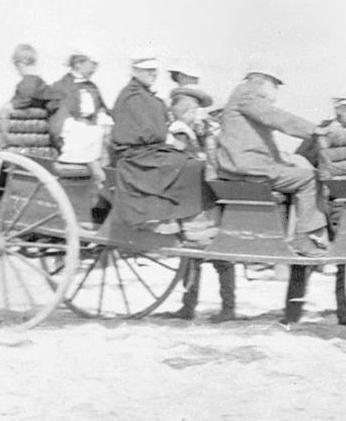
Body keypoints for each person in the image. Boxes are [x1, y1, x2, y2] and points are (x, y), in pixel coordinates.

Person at [215, 61, 334, 258]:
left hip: (247, 166)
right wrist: (314, 130)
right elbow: (276, 118)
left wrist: (284, 163)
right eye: (275, 85)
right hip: (248, 168)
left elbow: (265, 143)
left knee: (298, 173)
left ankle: (298, 234)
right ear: (263, 81)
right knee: (310, 179)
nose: (275, 92)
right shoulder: (248, 94)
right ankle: (304, 238)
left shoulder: (246, 98)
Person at [285, 93, 346, 327]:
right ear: (338, 110)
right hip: (318, 203)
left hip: (345, 203)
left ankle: (345, 315)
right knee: (304, 256)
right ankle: (291, 313)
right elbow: (299, 160)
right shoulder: (319, 132)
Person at [164, 63, 238, 322]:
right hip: (198, 198)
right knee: (198, 254)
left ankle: (222, 307)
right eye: (192, 108)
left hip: (202, 199)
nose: (196, 112)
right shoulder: (181, 132)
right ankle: (194, 306)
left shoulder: (199, 130)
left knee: (210, 253)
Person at [107, 48, 205, 232]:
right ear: (135, 71)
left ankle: (181, 215)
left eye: (154, 70)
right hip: (135, 156)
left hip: (149, 150)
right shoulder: (132, 96)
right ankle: (164, 217)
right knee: (183, 163)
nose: (153, 73)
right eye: (147, 70)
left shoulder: (145, 94)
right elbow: (148, 131)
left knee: (190, 161)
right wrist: (171, 142)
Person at [0, 43, 57, 160]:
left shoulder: (25, 86)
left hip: (23, 149)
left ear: (20, 63)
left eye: (16, 65)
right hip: (43, 147)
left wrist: (9, 106)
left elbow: (14, 107)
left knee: (5, 112)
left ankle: (2, 149)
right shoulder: (43, 86)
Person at [47, 43, 107, 159]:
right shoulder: (60, 88)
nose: (94, 69)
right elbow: (58, 126)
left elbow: (103, 113)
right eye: (93, 64)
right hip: (73, 145)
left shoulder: (92, 88)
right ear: (78, 63)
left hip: (93, 141)